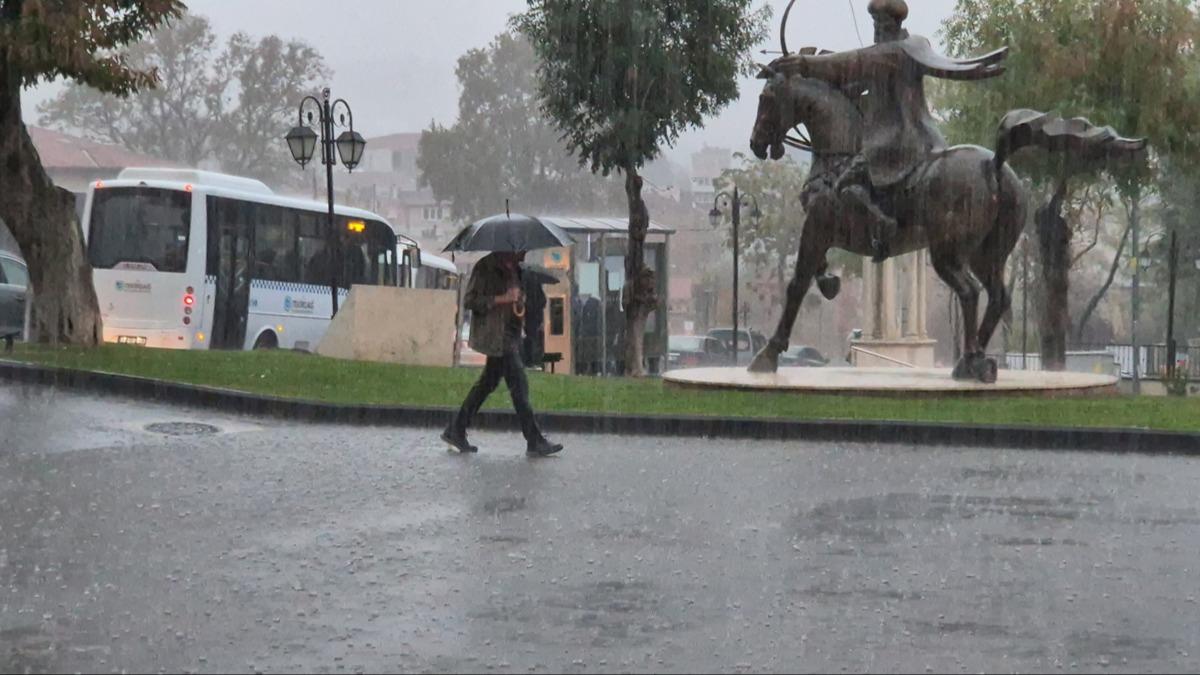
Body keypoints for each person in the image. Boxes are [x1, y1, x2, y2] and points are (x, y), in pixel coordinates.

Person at [773, 0, 1006, 262]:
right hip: (924, 140)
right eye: (875, 23)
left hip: (893, 142)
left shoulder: (894, 53)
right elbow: (850, 74)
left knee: (843, 182)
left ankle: (881, 226)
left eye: (878, 23)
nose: (876, 29)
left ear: (888, 23)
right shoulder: (908, 48)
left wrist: (804, 64)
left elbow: (849, 63)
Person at [442, 251, 563, 456]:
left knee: (486, 385)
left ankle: (456, 429)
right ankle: (534, 440)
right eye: (521, 250)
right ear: (508, 247)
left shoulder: (516, 269)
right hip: (497, 337)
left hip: (512, 335)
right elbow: (471, 301)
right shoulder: (485, 268)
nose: (524, 253)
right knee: (519, 387)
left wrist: (520, 300)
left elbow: (517, 300)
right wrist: (502, 298)